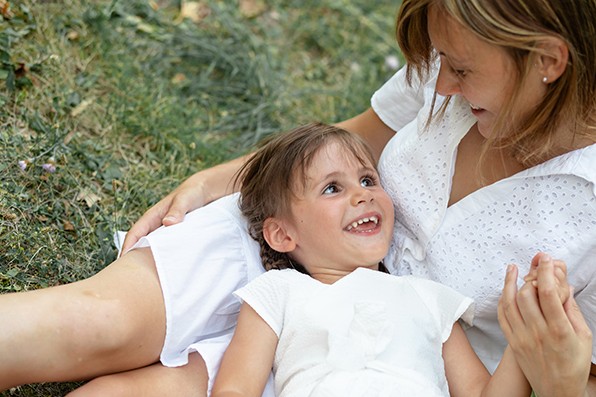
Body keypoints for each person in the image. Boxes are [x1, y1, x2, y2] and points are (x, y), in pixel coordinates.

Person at [0, 0, 594, 396]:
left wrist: (561, 381)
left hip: (393, 360)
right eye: (442, 62)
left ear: (547, 60)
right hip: (299, 226)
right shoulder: (457, 50)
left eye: (461, 70)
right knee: (99, 321)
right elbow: (364, 134)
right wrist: (225, 178)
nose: (442, 84)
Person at [209, 121, 558, 397]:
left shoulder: (429, 298)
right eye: (332, 188)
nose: (362, 195)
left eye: (367, 179)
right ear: (283, 235)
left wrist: (523, 338)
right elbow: (235, 388)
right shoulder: (278, 292)